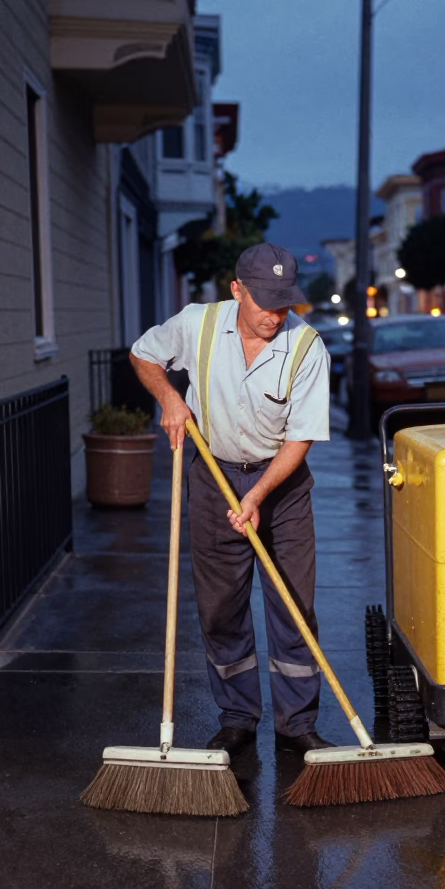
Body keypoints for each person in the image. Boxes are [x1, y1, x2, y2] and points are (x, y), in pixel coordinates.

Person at [129, 243, 333, 757]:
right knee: (220, 609)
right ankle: (238, 717)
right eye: (264, 300)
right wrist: (170, 398)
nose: (275, 314)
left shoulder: (308, 348)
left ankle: (297, 723)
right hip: (212, 474)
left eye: (284, 302)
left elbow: (300, 438)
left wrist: (260, 495)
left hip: (280, 486)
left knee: (292, 605)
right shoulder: (197, 324)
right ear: (236, 290)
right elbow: (143, 354)